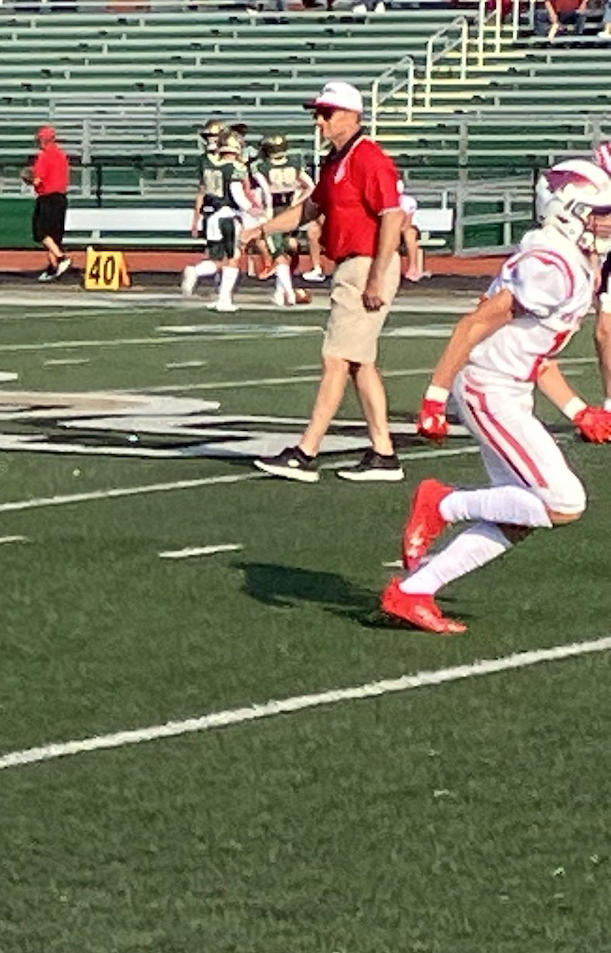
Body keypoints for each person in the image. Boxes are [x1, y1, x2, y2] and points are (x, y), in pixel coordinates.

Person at [384, 159, 611, 634]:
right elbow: (474, 325)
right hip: (489, 389)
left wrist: (578, 409)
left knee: (521, 514)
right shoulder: (552, 266)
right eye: (599, 212)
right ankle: (442, 502)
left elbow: (535, 355)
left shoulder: (569, 261)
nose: (606, 222)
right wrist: (435, 395)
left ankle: (413, 591)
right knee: (564, 502)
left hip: (508, 387)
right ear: (566, 210)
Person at [250, 81, 405, 483]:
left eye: (326, 113)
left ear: (351, 115)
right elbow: (312, 207)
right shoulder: (336, 160)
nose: (319, 121)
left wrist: (375, 276)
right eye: (317, 114)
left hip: (366, 264)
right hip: (353, 265)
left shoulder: (367, 158)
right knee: (359, 363)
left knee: (335, 358)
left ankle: (306, 451)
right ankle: (384, 453)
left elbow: (391, 215)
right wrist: (263, 228)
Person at [182, 130, 252, 313]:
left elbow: (203, 192)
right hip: (228, 215)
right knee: (232, 259)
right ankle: (222, 297)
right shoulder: (234, 168)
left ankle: (217, 292)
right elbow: (237, 194)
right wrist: (252, 209)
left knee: (219, 259)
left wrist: (197, 219)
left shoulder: (210, 167)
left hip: (212, 216)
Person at [251, 134, 314, 306]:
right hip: (290, 210)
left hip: (275, 211)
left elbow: (265, 193)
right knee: (286, 251)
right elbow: (310, 186)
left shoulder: (261, 167)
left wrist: (267, 214)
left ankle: (288, 293)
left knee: (278, 254)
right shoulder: (294, 162)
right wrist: (296, 203)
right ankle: (280, 293)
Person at [25, 125, 71, 282]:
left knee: (40, 232)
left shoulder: (44, 156)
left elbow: (38, 179)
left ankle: (60, 258)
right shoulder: (62, 155)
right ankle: (53, 268)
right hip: (61, 197)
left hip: (47, 197)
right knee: (54, 235)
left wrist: (29, 179)